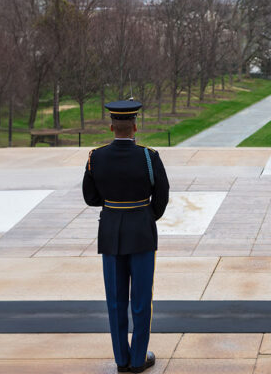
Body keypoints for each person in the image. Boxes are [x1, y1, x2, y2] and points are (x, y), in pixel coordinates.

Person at [82, 99, 169, 374]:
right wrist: (146, 216)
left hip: (110, 232)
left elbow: (90, 197)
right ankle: (138, 358)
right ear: (134, 126)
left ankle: (121, 359)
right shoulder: (148, 156)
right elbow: (162, 195)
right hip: (141, 232)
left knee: (116, 299)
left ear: (111, 127)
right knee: (141, 300)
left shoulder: (96, 157)